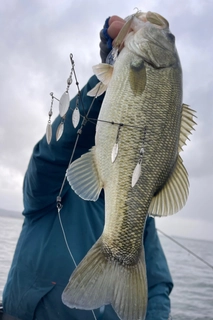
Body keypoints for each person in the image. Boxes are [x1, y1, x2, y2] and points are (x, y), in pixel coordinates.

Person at [2, 15, 173, 320]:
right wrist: (109, 73)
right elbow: (54, 153)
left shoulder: (138, 213)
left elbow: (156, 285)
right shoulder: (48, 188)